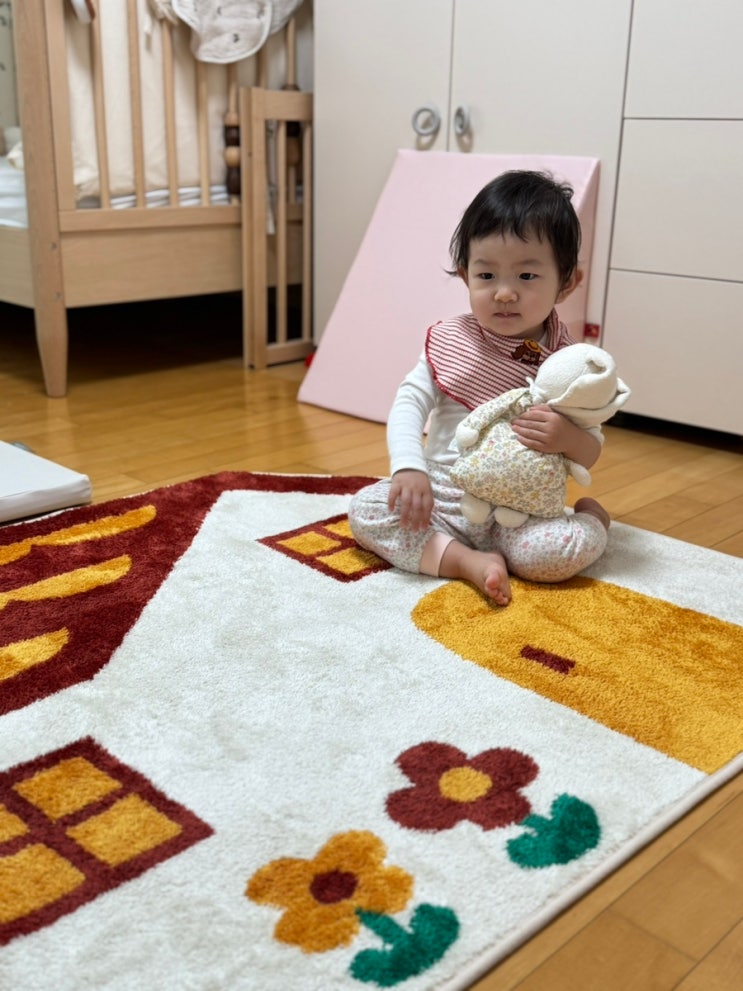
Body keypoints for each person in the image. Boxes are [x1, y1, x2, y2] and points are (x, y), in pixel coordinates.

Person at [348, 170, 611, 606]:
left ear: (567, 282)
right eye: (486, 275)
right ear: (465, 274)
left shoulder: (570, 365)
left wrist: (569, 438)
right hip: (443, 496)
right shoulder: (454, 342)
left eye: (527, 276)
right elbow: (410, 402)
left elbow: (592, 450)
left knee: (551, 558)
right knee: (367, 510)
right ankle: (465, 562)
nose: (504, 293)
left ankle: (595, 521)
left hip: (522, 512)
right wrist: (409, 468)